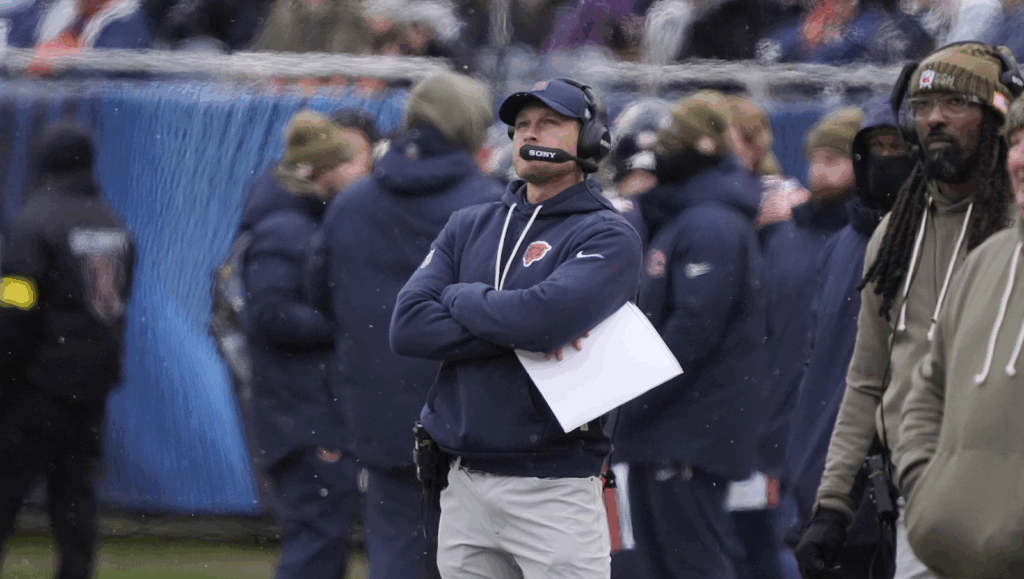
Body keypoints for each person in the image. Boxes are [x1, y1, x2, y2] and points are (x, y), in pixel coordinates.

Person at [389, 77, 643, 579]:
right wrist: (517, 324)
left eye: (550, 123)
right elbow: (409, 327)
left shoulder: (608, 233)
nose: (532, 134)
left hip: (554, 486)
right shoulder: (468, 224)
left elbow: (541, 320)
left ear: (590, 138)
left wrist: (462, 297)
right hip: (462, 481)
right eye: (522, 125)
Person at [794, 41, 1022, 579]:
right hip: (921, 505)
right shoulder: (895, 234)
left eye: (956, 104)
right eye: (922, 107)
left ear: (998, 116)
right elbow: (867, 381)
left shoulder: (1015, 229)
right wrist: (833, 506)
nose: (935, 118)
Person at [306, 71, 501, 579]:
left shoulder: (352, 203)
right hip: (471, 417)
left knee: (394, 551)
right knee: (471, 560)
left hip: (381, 413)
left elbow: (319, 294)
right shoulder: (490, 209)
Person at [611, 94, 768, 579]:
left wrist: (630, 398)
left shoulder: (712, 222)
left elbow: (693, 330)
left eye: (676, 142)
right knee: (665, 565)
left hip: (688, 432)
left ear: (704, 146)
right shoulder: (682, 216)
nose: (664, 151)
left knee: (693, 564)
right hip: (665, 431)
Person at [893, 94, 1024, 579]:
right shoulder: (987, 259)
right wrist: (924, 485)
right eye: (1015, 142)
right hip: (948, 555)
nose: (1021, 159)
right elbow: (928, 387)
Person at [783, 100, 915, 578]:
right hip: (824, 481)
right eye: (873, 148)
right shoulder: (842, 244)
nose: (884, 159)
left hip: (890, 491)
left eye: (895, 147)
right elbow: (817, 363)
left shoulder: (931, 241)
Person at [0, 122, 136, 579]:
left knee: (6, 492)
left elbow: (16, 306)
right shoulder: (112, 223)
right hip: (91, 386)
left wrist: (6, 371)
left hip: (35, 385)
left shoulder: (33, 223)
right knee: (75, 502)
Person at [239, 109, 360, 579]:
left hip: (304, 410)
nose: (354, 174)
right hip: (304, 413)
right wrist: (347, 323)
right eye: (343, 165)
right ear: (317, 170)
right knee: (315, 543)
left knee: (320, 542)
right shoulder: (285, 230)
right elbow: (270, 316)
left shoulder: (292, 223)